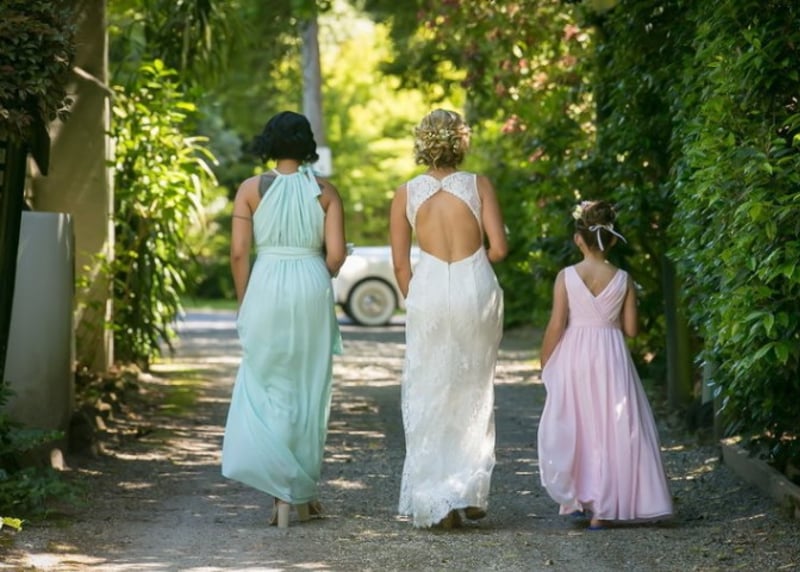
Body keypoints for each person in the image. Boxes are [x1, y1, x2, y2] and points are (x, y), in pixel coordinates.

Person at [221, 111, 346, 529]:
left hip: (266, 284)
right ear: (307, 144)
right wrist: (317, 273)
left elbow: (239, 253)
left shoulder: (249, 190)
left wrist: (245, 301)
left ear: (269, 143)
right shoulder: (326, 193)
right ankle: (301, 493)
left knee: (268, 382)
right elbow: (335, 256)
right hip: (311, 282)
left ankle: (282, 496)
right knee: (309, 387)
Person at [389, 109, 508, 528]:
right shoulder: (478, 185)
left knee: (430, 388)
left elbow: (400, 265)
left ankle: (435, 498)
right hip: (474, 286)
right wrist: (474, 265)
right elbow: (499, 249)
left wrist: (420, 298)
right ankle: (469, 489)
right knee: (474, 387)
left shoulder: (406, 193)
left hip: (429, 290)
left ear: (422, 142)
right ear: (461, 142)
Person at [537, 200, 673, 530]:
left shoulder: (566, 276)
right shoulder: (623, 278)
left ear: (578, 239)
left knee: (577, 425)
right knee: (613, 426)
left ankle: (577, 500)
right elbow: (632, 330)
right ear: (612, 240)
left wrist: (545, 362)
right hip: (611, 354)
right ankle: (603, 509)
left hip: (575, 354)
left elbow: (556, 324)